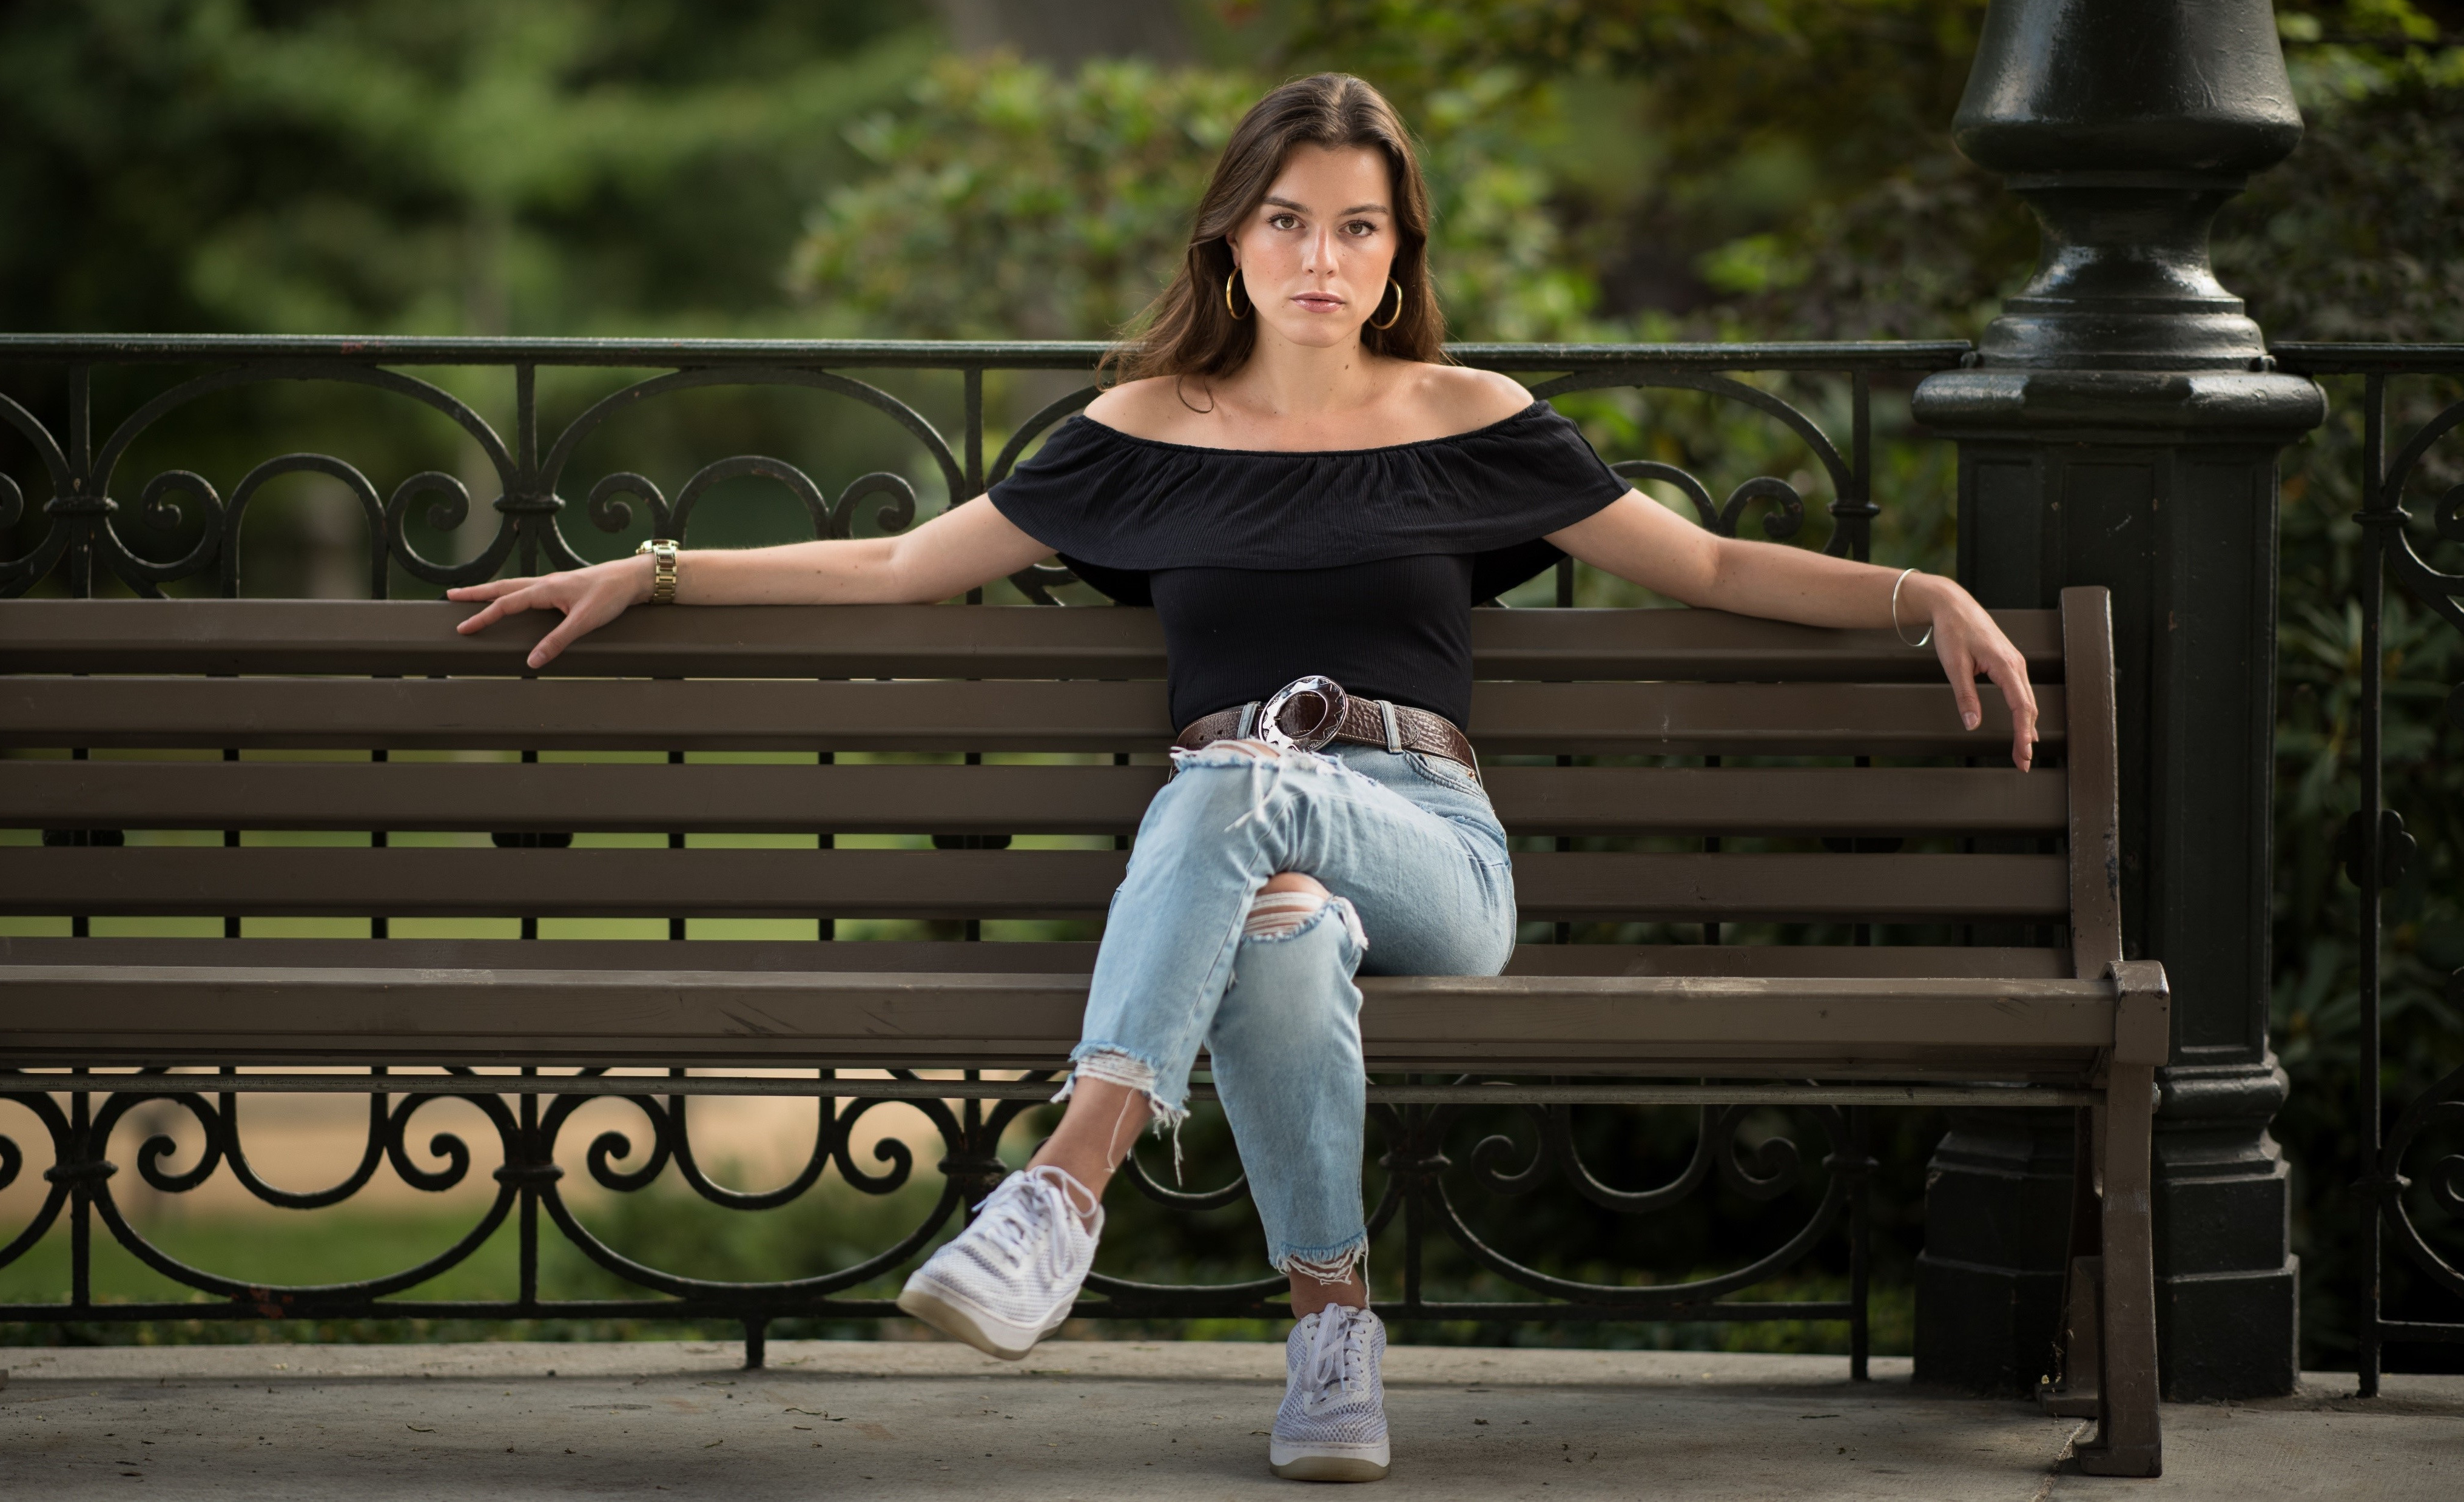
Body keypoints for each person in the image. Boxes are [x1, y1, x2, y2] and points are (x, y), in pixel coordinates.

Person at [449, 72, 2037, 1484]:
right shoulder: (1131, 434)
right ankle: (1330, 1336)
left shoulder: (1470, 419)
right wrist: (655, 571)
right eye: (1286, 222)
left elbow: (1703, 563)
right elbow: (891, 564)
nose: (1321, 261)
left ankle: (1061, 1191)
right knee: (1268, 894)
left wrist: (1923, 597)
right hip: (1253, 858)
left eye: (1358, 229)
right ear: (1227, 238)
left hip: (1430, 848)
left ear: (1400, 252)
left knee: (1237, 785)